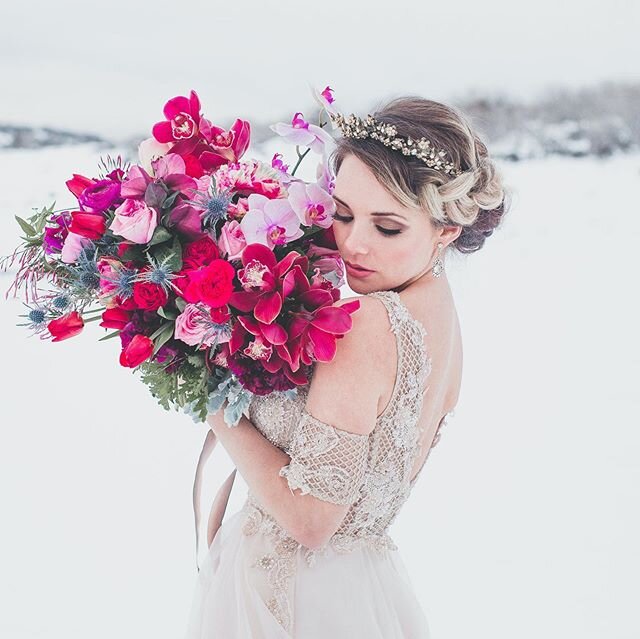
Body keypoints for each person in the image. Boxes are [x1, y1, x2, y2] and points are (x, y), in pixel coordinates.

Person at [184, 96, 510, 638]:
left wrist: (211, 396)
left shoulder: (368, 324)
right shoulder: (437, 307)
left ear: (446, 230)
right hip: (357, 583)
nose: (353, 243)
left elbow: (311, 520)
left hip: (295, 597)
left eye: (387, 227)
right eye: (342, 213)